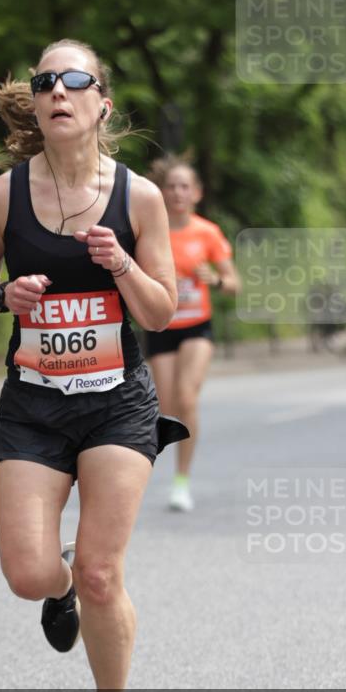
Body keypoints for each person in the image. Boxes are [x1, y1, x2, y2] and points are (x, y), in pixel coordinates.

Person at [0, 38, 189, 692]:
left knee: (101, 570)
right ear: (34, 103)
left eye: (73, 81)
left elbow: (158, 313)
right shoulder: (3, 194)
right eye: (44, 82)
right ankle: (57, 587)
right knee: (31, 575)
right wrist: (2, 293)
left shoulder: (140, 198)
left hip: (116, 403)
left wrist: (119, 262)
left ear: (101, 103)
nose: (57, 91)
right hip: (31, 404)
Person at [145, 157, 240, 512]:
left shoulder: (207, 232)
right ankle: (164, 472)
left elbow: (234, 284)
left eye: (185, 186)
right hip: (161, 325)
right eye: (171, 186)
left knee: (187, 397)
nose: (178, 192)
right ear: (163, 192)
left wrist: (214, 279)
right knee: (168, 408)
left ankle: (182, 482)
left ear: (196, 193)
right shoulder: (151, 229)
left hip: (198, 326)